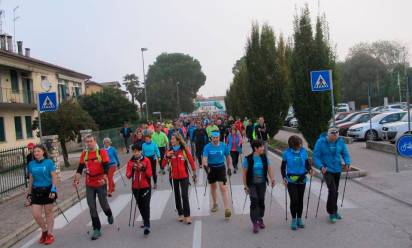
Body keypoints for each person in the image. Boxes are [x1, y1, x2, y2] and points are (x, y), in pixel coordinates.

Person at [73, 135, 114, 240]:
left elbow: (106, 166)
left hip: (100, 182)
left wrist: (104, 178)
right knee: (91, 206)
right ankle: (97, 229)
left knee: (103, 203)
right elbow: (79, 168)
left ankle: (109, 214)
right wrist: (76, 179)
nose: (89, 143)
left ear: (95, 141)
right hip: (89, 183)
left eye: (91, 141)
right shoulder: (84, 154)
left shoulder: (101, 152)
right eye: (87, 142)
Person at [313, 127, 351, 223]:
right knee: (333, 190)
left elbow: (345, 154)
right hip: (327, 169)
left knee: (335, 191)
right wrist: (321, 166)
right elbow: (315, 157)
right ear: (328, 135)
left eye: (336, 137)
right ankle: (331, 212)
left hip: (337, 169)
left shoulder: (340, 142)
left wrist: (347, 162)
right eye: (332, 137)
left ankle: (335, 210)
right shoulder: (320, 142)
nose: (334, 139)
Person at [25, 144, 58, 245]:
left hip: (48, 190)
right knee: (36, 214)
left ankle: (50, 234)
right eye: (35, 152)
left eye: (38, 151)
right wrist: (29, 194)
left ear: (43, 152)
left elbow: (54, 177)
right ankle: (44, 230)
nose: (36, 153)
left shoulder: (49, 162)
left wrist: (53, 190)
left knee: (48, 213)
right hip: (36, 191)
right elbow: (31, 179)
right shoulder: (31, 164)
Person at [162, 133, 197, 224]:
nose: (171, 140)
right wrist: (167, 156)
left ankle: (187, 215)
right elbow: (162, 165)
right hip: (174, 177)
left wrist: (194, 173)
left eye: (173, 139)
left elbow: (191, 160)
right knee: (177, 196)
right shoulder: (169, 150)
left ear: (178, 140)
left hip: (184, 176)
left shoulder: (184, 149)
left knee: (184, 195)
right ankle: (180, 213)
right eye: (171, 139)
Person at [242, 140, 275, 233]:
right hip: (252, 184)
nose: (263, 148)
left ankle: (260, 218)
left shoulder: (264, 158)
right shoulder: (248, 159)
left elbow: (269, 169)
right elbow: (244, 174)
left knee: (261, 201)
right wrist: (245, 186)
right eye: (261, 147)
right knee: (254, 201)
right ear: (255, 148)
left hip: (262, 183)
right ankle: (254, 222)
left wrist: (272, 179)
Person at [281, 135, 313, 230]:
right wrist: (284, 178)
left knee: (300, 200)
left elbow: (307, 164)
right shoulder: (286, 153)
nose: (300, 146)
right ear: (292, 145)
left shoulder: (303, 151)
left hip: (302, 178)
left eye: (300, 144)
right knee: (294, 200)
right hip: (291, 180)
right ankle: (293, 219)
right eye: (298, 145)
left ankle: (299, 219)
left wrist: (310, 169)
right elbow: (283, 167)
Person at [202, 130, 233, 220]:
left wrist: (230, 167)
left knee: (223, 188)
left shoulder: (223, 145)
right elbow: (204, 158)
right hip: (211, 168)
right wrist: (206, 166)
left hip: (221, 167)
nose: (215, 139)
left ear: (219, 137)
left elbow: (228, 156)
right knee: (213, 187)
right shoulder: (207, 147)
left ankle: (227, 209)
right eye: (213, 137)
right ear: (211, 138)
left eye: (217, 137)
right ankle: (215, 203)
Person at [126, 144, 152, 236]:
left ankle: (147, 225)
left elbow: (149, 174)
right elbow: (128, 176)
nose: (136, 153)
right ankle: (145, 220)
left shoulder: (146, 160)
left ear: (141, 151)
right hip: (135, 187)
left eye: (137, 151)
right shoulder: (130, 162)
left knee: (146, 205)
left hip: (145, 186)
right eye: (134, 151)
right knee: (140, 206)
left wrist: (143, 168)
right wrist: (132, 170)